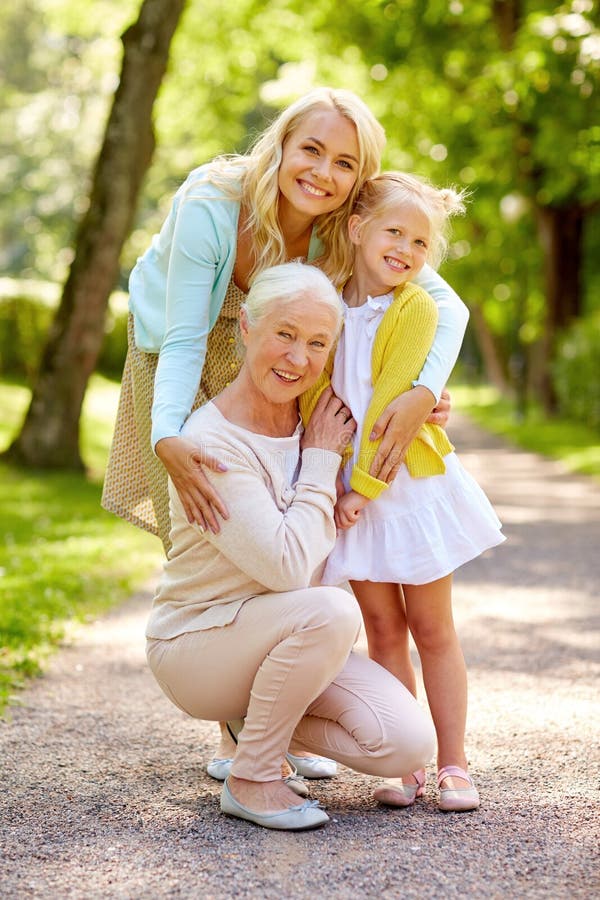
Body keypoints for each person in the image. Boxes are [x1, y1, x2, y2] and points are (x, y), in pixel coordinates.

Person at [101, 86, 465, 776]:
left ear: (360, 182)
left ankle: (273, 720)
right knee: (210, 522)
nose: (323, 174)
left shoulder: (344, 224)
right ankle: (236, 736)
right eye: (312, 151)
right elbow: (183, 338)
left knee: (279, 523)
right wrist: (167, 436)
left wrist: (421, 390)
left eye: (344, 164)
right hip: (177, 353)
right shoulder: (213, 205)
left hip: (279, 352)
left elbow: (444, 303)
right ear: (280, 146)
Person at [144, 262, 436, 830]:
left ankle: (258, 726)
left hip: (279, 643)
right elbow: (286, 567)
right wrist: (323, 461)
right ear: (247, 330)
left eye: (316, 343)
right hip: (197, 646)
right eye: (284, 334)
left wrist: (425, 400)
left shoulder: (318, 420)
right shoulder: (211, 444)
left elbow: (423, 322)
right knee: (329, 609)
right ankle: (252, 777)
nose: (297, 358)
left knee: (405, 744)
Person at [300, 172, 505, 812]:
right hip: (350, 489)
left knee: (432, 628)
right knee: (383, 631)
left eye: (420, 242)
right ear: (358, 229)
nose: (407, 250)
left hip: (402, 485)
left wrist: (362, 487)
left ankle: (453, 763)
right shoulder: (326, 298)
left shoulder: (415, 306)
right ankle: (406, 760)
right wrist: (326, 473)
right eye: (395, 232)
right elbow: (315, 392)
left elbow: (391, 400)